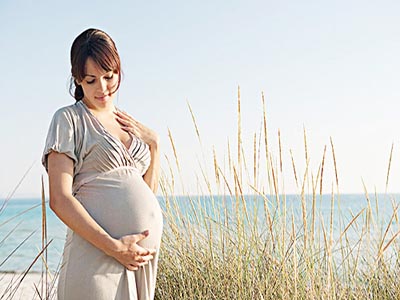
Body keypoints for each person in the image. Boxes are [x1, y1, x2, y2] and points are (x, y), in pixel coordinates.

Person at [42, 28, 163, 300]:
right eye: (91, 80)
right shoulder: (69, 120)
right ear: (77, 79)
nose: (103, 88)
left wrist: (154, 144)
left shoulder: (129, 124)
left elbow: (145, 194)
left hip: (137, 262)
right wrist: (114, 247)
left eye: (109, 77)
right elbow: (59, 199)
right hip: (98, 260)